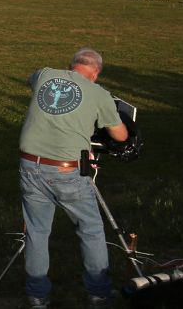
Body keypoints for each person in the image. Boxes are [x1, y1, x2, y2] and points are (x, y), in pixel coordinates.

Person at [18, 48, 128, 308]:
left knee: (36, 230)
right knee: (90, 230)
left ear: (71, 65)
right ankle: (99, 292)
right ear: (96, 73)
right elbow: (121, 136)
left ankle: (37, 295)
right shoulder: (99, 94)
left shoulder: (45, 74)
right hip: (66, 170)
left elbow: (35, 82)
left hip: (29, 164)